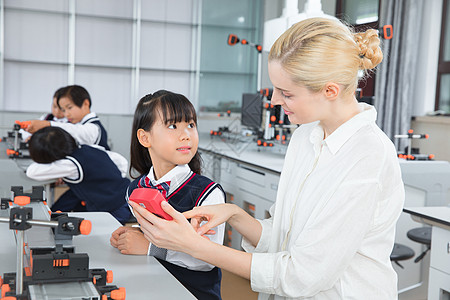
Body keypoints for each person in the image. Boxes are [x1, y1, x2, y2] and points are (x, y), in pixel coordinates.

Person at [128, 18, 405, 300]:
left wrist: (193, 246)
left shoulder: (367, 157)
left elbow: (302, 276)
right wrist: (234, 214)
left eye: (286, 93)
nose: (273, 100)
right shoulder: (306, 136)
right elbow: (285, 236)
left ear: (329, 91)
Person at [110, 90, 225, 299]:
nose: (186, 134)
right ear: (145, 138)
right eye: (173, 126)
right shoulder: (135, 189)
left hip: (193, 293)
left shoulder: (208, 194)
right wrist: (129, 234)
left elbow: (208, 259)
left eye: (191, 125)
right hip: (151, 285)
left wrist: (150, 248)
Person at [26, 126, 131, 224]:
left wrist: (59, 170)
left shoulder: (70, 165)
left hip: (113, 209)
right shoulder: (88, 148)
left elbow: (31, 172)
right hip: (126, 197)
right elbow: (121, 161)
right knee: (69, 200)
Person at [25, 85, 110, 150]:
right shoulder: (77, 124)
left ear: (85, 104)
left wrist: (47, 125)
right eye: (63, 110)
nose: (66, 114)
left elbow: (76, 132)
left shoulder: (94, 128)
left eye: (69, 108)